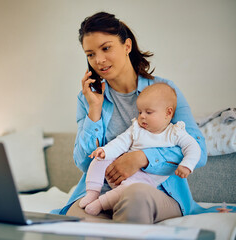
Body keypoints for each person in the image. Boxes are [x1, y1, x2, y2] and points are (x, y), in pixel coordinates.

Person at [50, 11, 212, 224]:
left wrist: (142, 158)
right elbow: (83, 161)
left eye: (106, 48)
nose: (98, 60)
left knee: (134, 197)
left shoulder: (164, 90)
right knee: (75, 225)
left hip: (154, 190)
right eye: (90, 54)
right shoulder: (88, 98)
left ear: (127, 46)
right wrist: (95, 110)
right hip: (101, 191)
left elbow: (198, 152)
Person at [79, 83, 201, 216]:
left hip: (144, 180)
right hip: (117, 171)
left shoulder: (175, 133)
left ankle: (100, 204)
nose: (142, 116)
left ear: (168, 112)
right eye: (140, 112)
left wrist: (186, 165)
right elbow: (121, 142)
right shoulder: (137, 128)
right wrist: (105, 151)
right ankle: (92, 193)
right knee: (99, 159)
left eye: (148, 112)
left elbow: (193, 147)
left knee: (131, 190)